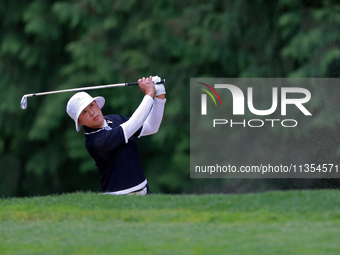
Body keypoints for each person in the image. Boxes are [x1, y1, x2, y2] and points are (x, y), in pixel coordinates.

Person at [66, 76, 166, 195]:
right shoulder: (95, 142)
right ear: (80, 121)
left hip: (144, 191)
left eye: (91, 105)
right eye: (84, 112)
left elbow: (151, 127)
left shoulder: (115, 119)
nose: (92, 112)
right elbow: (131, 125)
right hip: (118, 198)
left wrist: (160, 94)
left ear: (97, 104)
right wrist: (149, 93)